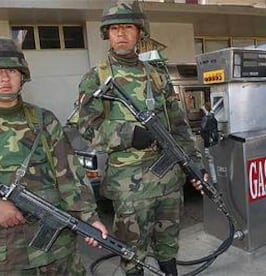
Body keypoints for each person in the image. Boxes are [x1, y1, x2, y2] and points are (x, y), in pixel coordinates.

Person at [0, 36, 108, 275]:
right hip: (6, 256)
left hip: (58, 251)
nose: (5, 78)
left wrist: (90, 219)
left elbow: (71, 176)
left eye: (11, 70)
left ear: (22, 76)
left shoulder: (44, 120)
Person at [77, 1, 203, 275]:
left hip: (168, 179)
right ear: (107, 34)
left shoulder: (157, 76)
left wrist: (194, 164)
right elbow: (86, 127)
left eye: (127, 27)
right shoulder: (96, 77)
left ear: (139, 33)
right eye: (114, 29)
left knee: (168, 244)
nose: (121, 34)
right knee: (132, 252)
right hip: (130, 187)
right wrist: (128, 134)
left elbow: (179, 126)